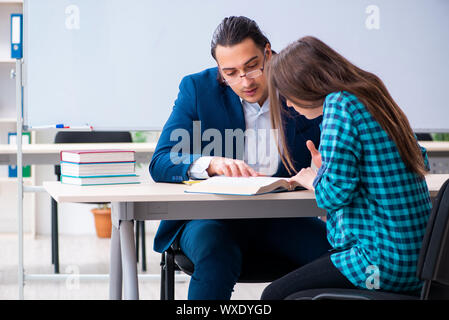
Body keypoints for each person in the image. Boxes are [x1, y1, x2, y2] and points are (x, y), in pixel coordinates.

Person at [149, 18, 331, 300]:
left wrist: (327, 168)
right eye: (230, 73)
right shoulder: (198, 89)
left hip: (281, 216)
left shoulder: (299, 83)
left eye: (252, 67)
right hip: (211, 217)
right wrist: (210, 164)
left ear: (268, 53)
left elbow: (352, 140)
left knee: (338, 255)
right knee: (216, 252)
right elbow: (162, 160)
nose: (244, 81)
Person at [261, 36, 432, 299]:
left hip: (379, 264)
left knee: (274, 295)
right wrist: (330, 168)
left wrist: (315, 178)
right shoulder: (371, 91)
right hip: (420, 262)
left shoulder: (339, 105)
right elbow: (420, 159)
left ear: (304, 84)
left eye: (287, 94)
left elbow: (333, 194)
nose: (287, 104)